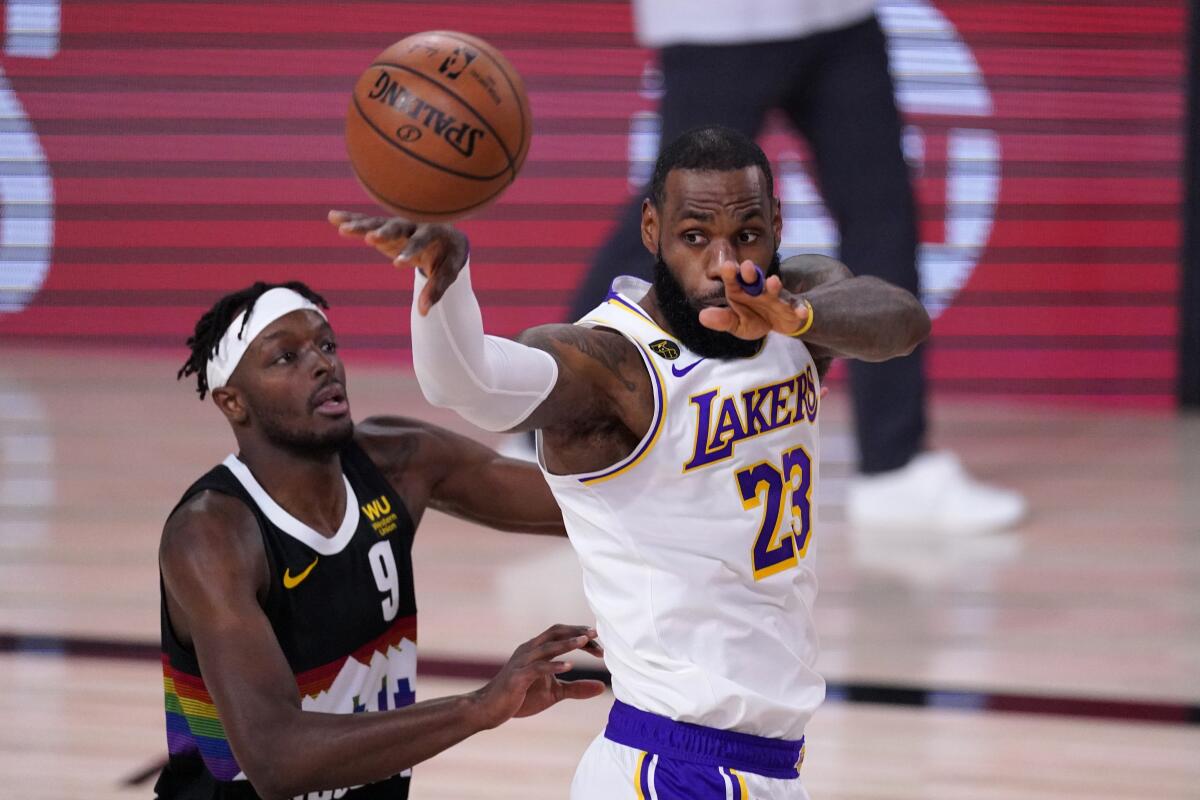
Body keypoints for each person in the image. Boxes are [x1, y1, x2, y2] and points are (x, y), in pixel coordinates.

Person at [334, 126, 930, 798]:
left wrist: (794, 316)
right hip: (673, 764)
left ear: (777, 228)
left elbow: (902, 320)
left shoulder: (798, 307)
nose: (724, 264)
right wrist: (445, 280)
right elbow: (468, 383)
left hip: (765, 764)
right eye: (695, 236)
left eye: (748, 235)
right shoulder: (614, 365)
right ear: (652, 230)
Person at [571, 0, 1025, 534]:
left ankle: (895, 468)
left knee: (883, 213)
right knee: (675, 220)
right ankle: (557, 406)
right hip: (720, 22)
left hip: (839, 16)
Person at [158, 281, 604, 800]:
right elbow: (277, 758)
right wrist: (479, 706)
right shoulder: (212, 535)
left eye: (326, 345)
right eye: (286, 357)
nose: (323, 364)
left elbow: (583, 508)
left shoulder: (396, 462)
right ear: (233, 402)